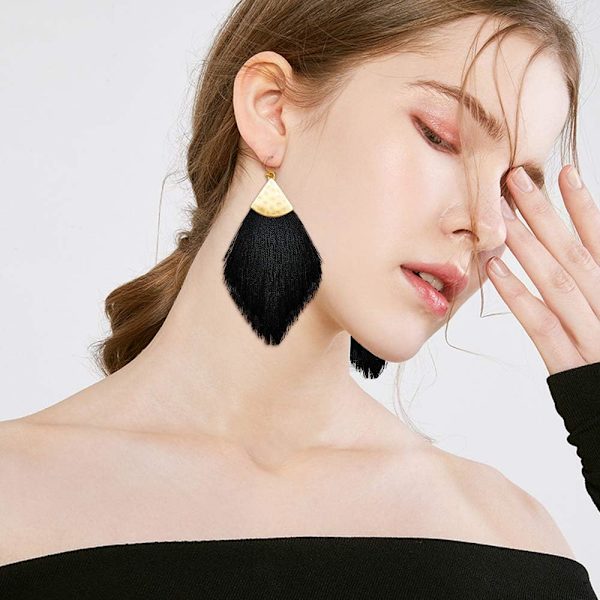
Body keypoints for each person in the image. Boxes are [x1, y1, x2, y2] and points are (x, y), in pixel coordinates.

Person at [0, 0, 598, 597]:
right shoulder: (15, 500)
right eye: (441, 136)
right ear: (273, 110)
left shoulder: (512, 542)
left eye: (512, 189)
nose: (489, 226)